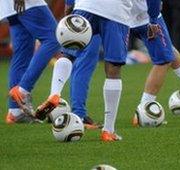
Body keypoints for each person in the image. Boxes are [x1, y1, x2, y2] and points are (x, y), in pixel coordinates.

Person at [35, 0, 134, 142]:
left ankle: (54, 94)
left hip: (86, 6)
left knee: (68, 53)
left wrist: (69, 5)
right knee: (113, 69)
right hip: (116, 11)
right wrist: (154, 17)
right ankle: (108, 131)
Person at [0, 0, 61, 123]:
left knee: (23, 53)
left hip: (9, 5)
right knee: (54, 38)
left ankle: (15, 111)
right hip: (27, 2)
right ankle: (22, 90)